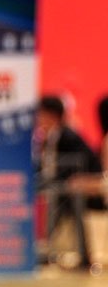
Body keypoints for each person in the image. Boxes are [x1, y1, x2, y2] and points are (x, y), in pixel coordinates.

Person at [35, 95, 102, 269]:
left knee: (63, 204)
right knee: (55, 203)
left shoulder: (69, 136)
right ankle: (48, 250)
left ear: (51, 115)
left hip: (87, 188)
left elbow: (83, 164)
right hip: (65, 187)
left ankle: (79, 255)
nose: (38, 118)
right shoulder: (50, 136)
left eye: (41, 114)